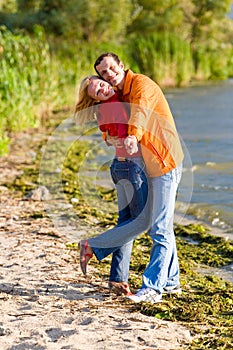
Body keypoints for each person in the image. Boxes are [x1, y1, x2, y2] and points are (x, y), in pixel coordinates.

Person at [79, 52, 184, 304]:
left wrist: (133, 136)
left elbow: (141, 112)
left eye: (111, 69)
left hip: (164, 162)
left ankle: (152, 288)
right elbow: (112, 119)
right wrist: (110, 138)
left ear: (121, 65)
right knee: (161, 225)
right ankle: (171, 282)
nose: (109, 75)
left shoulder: (140, 85)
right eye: (103, 73)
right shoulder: (118, 93)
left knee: (157, 226)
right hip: (147, 166)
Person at [75, 76, 148, 296]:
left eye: (101, 83)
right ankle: (92, 246)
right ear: (96, 98)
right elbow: (123, 132)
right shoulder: (116, 103)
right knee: (144, 220)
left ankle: (117, 280)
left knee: (126, 223)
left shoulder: (105, 108)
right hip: (131, 168)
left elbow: (108, 136)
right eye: (98, 91)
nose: (104, 88)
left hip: (119, 167)